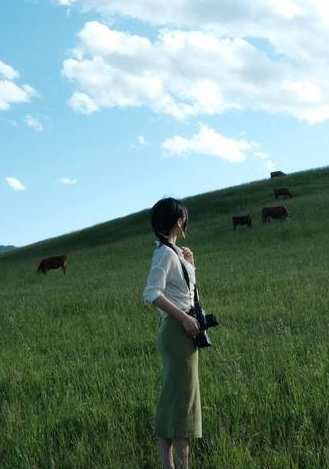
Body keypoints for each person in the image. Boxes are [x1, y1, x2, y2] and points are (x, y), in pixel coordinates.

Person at [143, 198, 202, 469]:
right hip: (178, 331)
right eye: (184, 218)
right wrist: (185, 318)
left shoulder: (172, 252)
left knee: (173, 402)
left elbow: (186, 294)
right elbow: (152, 293)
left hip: (180, 331)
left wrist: (190, 264)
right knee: (182, 407)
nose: (186, 222)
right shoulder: (166, 254)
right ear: (178, 221)